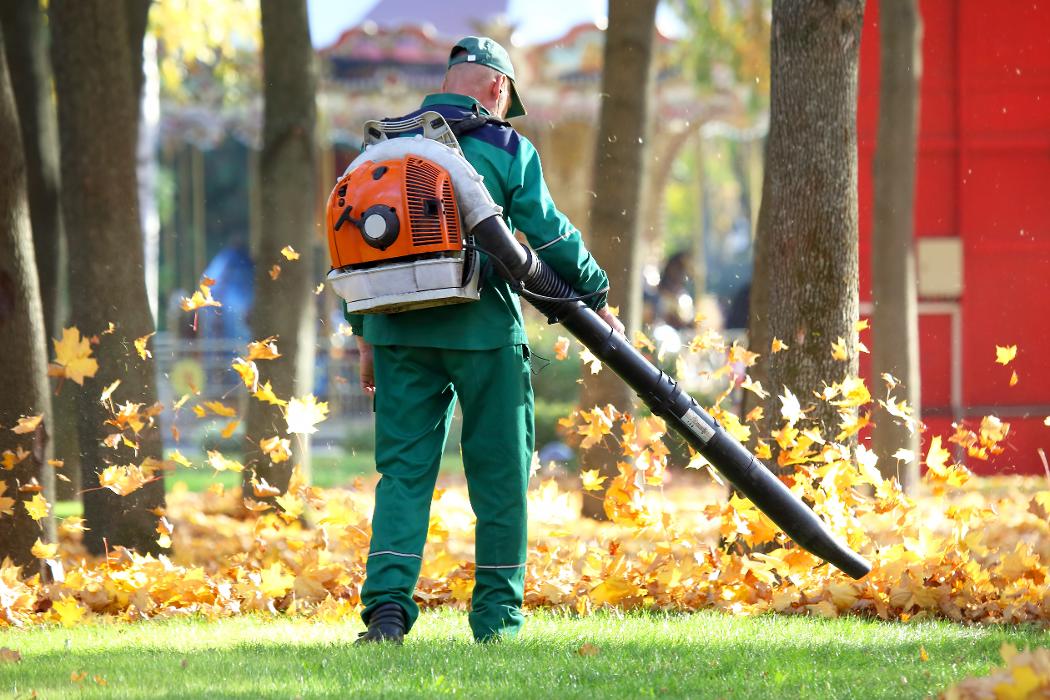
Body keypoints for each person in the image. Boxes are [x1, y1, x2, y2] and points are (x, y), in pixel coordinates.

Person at [345, 36, 624, 644]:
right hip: (483, 333)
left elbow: (361, 248)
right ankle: (497, 620)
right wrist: (598, 297)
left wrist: (364, 334)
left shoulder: (383, 148)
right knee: (500, 475)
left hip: (396, 332)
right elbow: (548, 237)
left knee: (404, 475)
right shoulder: (504, 146)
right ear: (499, 88)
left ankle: (387, 611)